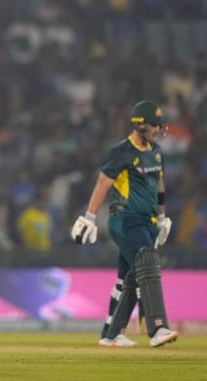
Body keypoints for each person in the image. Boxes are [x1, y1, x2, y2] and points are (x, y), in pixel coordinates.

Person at [70, 100, 177, 348]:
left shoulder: (156, 151)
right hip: (125, 219)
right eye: (155, 125)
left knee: (129, 277)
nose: (160, 129)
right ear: (140, 125)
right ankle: (158, 327)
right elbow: (102, 184)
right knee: (147, 259)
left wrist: (162, 217)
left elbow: (159, 186)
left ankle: (111, 333)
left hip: (148, 222)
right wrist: (89, 217)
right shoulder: (122, 152)